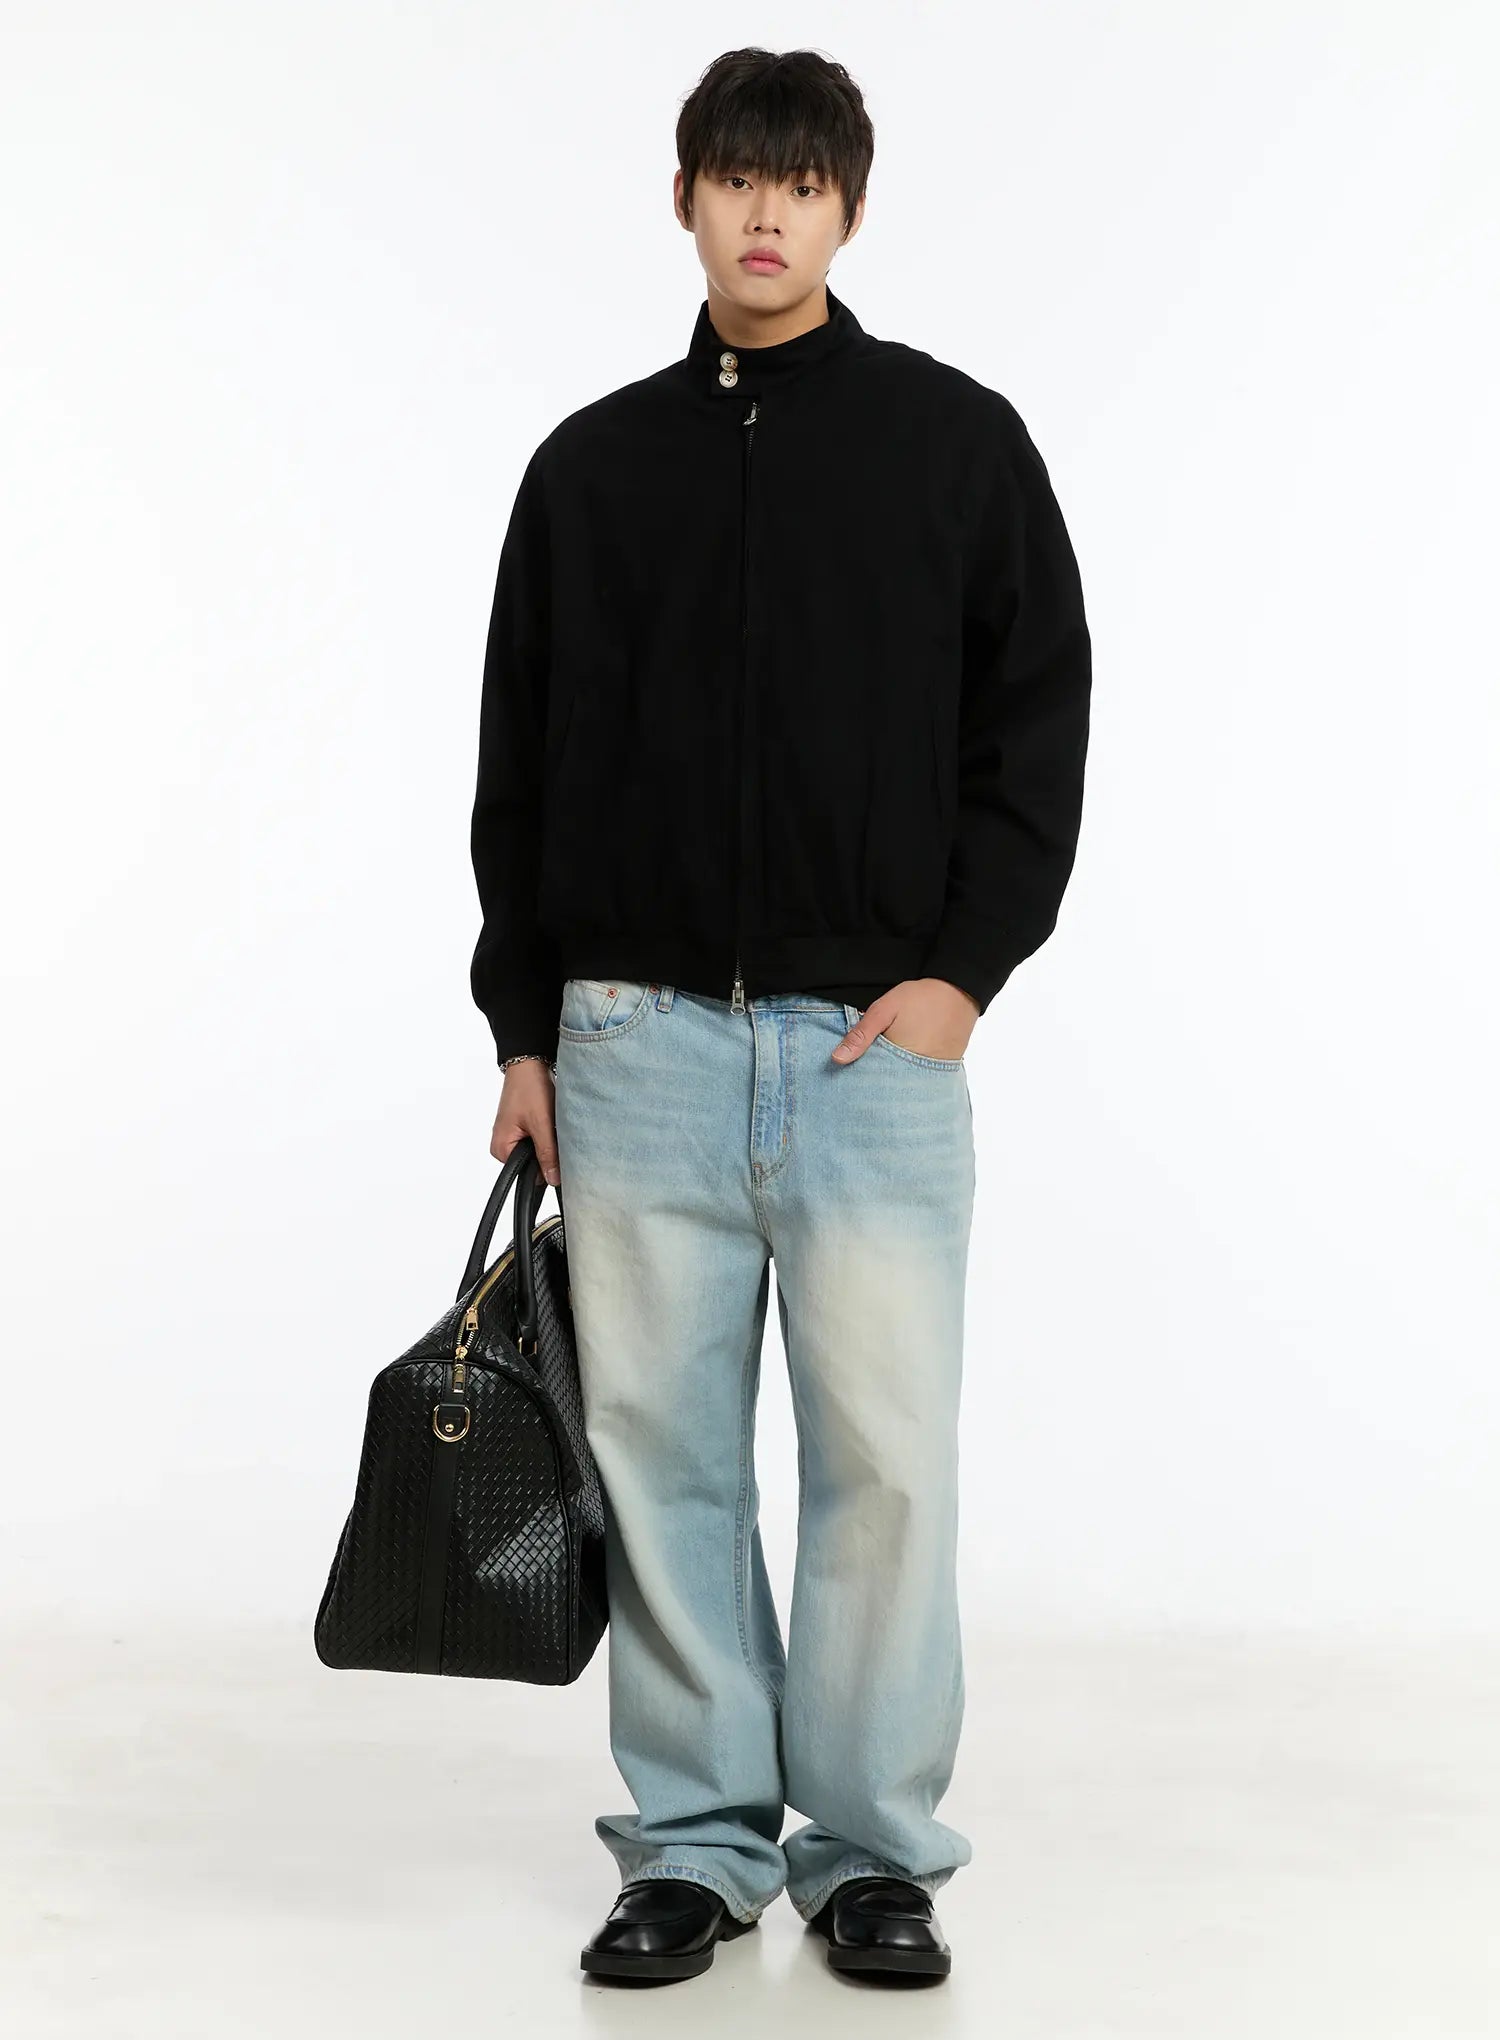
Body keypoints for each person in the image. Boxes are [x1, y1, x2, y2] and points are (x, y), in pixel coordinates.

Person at [469, 46, 1091, 1986]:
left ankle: (873, 1854)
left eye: (801, 184)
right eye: (736, 178)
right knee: (660, 1464)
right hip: (634, 1049)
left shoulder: (956, 448)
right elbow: (516, 773)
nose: (766, 213)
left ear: (849, 209)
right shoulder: (590, 472)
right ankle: (694, 1843)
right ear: (684, 199)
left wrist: (963, 974)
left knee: (885, 1466)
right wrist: (525, 1031)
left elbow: (1035, 727)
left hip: (869, 1055)